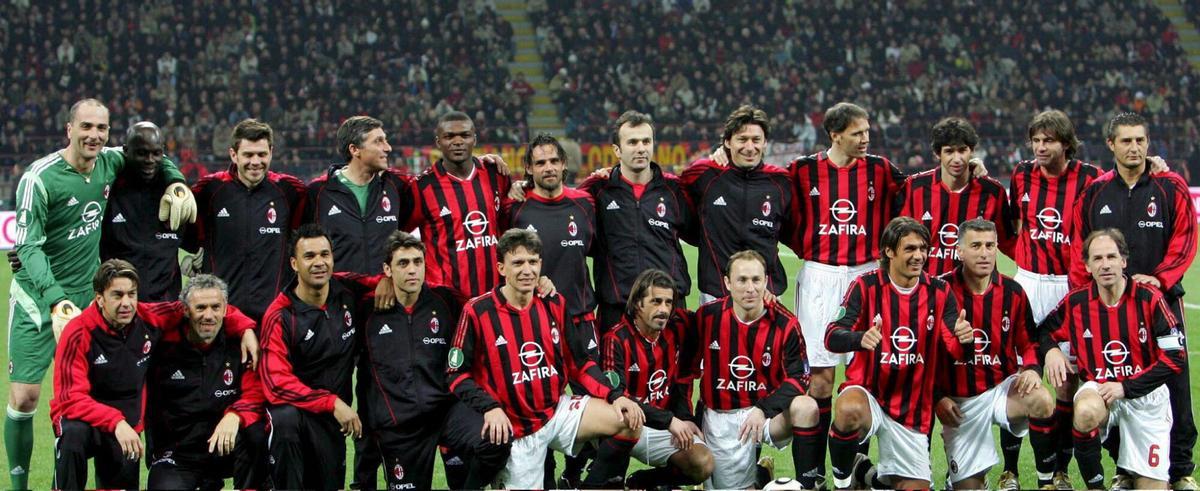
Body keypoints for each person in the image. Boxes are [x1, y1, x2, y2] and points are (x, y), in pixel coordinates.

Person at [6, 98, 194, 491]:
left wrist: (177, 182)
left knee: (87, 397)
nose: (94, 135)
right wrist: (54, 298)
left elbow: (155, 154)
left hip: (90, 303)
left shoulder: (110, 161)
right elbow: (27, 246)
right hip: (39, 300)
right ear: (69, 129)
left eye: (101, 128)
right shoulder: (39, 178)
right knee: (24, 398)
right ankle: (18, 485)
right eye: (86, 127)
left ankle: (77, 477)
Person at [446, 228, 645, 489]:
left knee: (628, 420)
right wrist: (489, 407)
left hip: (556, 412)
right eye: (518, 263)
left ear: (540, 264)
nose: (527, 270)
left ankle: (588, 487)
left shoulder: (554, 303)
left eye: (533, 262)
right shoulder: (477, 311)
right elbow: (456, 374)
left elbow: (580, 364)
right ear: (501, 268)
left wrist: (615, 395)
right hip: (515, 428)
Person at [1067, 112, 1197, 490]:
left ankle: (1180, 470)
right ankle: (1124, 466)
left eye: (1140, 140)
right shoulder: (1095, 193)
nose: (1135, 148)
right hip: (1109, 307)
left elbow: (1185, 238)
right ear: (1111, 145)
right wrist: (1086, 298)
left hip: (1161, 302)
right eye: (1126, 141)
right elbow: (1079, 249)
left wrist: (1160, 278)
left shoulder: (1170, 186)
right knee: (1113, 383)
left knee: (1175, 383)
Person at [50, 260, 255, 490]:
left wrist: (245, 328)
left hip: (127, 428)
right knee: (73, 435)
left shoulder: (149, 318)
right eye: (117, 295)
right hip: (89, 421)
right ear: (99, 298)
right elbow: (69, 398)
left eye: (132, 294)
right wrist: (115, 421)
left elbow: (203, 306)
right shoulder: (77, 332)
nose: (126, 303)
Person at [784, 102, 907, 485]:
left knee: (864, 377)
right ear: (835, 135)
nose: (866, 138)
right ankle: (812, 474)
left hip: (867, 276)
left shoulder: (880, 169)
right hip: (820, 276)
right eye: (857, 133)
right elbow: (777, 202)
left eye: (867, 131)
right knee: (820, 378)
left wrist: (974, 168)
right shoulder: (802, 170)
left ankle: (854, 469)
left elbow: (917, 188)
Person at [825, 216, 973, 490]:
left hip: (911, 410)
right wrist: (860, 338)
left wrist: (965, 340)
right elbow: (832, 336)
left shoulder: (939, 292)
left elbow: (956, 350)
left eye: (923, 249)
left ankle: (866, 473)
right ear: (889, 251)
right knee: (848, 409)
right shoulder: (866, 286)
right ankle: (843, 484)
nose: (919, 256)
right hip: (869, 393)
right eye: (910, 249)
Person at [357, 231, 510, 490]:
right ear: (387, 269)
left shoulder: (447, 301)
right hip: (400, 428)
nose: (412, 270)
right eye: (403, 263)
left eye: (418, 262)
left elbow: (492, 305)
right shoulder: (367, 310)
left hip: (446, 413)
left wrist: (540, 283)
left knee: (497, 438)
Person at [1039, 229, 1186, 489]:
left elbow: (1176, 358)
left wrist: (1126, 387)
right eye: (1097, 258)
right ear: (1087, 266)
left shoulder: (1150, 298)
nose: (1105, 265)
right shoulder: (1077, 302)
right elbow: (1042, 332)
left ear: (1123, 261)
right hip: (1101, 390)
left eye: (1111, 257)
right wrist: (1052, 350)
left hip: (1146, 399)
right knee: (1085, 410)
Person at [1007, 109, 1102, 488]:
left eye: (1048, 140)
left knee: (1066, 382)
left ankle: (1060, 470)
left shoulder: (1091, 178)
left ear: (1066, 143)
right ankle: (1011, 471)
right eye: (1036, 140)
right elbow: (1013, 224)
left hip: (1069, 286)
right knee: (1019, 378)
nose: (1040, 147)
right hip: (1029, 283)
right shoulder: (1021, 174)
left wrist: (1155, 166)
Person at [505, 133, 600, 488]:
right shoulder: (514, 209)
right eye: (540, 162)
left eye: (553, 161)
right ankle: (543, 477)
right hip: (534, 326)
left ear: (564, 164)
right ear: (529, 169)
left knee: (594, 401)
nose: (548, 167)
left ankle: (573, 473)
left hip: (581, 320)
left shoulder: (585, 204)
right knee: (538, 405)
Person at [935, 219, 1057, 489]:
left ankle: (1046, 481)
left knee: (1041, 399)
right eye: (976, 246)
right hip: (959, 401)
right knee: (969, 487)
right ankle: (965, 476)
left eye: (990, 246)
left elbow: (1029, 342)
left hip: (1002, 389)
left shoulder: (1013, 292)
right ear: (959, 251)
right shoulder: (940, 291)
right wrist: (937, 397)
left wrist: (1032, 369)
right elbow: (924, 354)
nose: (984, 253)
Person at [692, 250, 820, 489]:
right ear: (728, 283)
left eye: (756, 280)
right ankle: (761, 475)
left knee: (806, 407)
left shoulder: (785, 323)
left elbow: (801, 377)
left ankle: (807, 485)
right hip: (721, 415)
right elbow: (685, 370)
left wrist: (763, 409)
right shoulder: (707, 317)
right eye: (742, 280)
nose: (750, 288)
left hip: (767, 414)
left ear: (765, 281)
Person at [257, 224, 367, 488]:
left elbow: (392, 281)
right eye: (309, 256)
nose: (319, 262)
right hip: (295, 417)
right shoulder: (280, 315)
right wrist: (331, 402)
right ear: (294, 264)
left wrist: (387, 284)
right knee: (284, 421)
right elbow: (276, 384)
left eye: (324, 254)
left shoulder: (348, 290)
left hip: (331, 421)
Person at [582, 269, 713, 488]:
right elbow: (618, 399)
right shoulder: (616, 339)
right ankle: (594, 482)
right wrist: (670, 420)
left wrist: (684, 418)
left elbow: (682, 379)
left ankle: (643, 482)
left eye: (668, 302)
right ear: (637, 304)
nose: (663, 309)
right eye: (656, 301)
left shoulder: (677, 328)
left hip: (663, 424)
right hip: (624, 426)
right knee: (612, 475)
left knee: (703, 463)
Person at [145, 274, 269, 490]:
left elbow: (255, 393)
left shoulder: (240, 346)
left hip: (225, 447)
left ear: (226, 309)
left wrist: (235, 415)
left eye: (215, 307)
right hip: (178, 455)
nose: (209, 315)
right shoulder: (161, 344)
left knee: (257, 434)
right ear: (185, 310)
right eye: (200, 308)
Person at [579, 110, 697, 332]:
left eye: (646, 141)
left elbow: (700, 234)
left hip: (668, 306)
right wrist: (521, 186)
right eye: (632, 142)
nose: (641, 148)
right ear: (617, 150)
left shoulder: (673, 189)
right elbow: (564, 208)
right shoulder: (598, 190)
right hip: (617, 307)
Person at [189, 118, 308, 321]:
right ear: (233, 155)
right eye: (248, 155)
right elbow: (188, 235)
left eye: (262, 154)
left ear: (271, 152)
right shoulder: (209, 190)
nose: (255, 162)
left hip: (273, 317)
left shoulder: (290, 191)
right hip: (222, 316)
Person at [681, 105, 793, 303]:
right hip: (716, 292)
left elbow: (793, 228)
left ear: (765, 143)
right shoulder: (704, 174)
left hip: (766, 294)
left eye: (756, 140)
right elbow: (675, 204)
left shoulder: (781, 182)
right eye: (742, 139)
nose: (749, 147)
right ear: (727, 142)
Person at [404, 111, 513, 299]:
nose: (457, 141)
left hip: (494, 296)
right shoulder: (421, 187)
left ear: (474, 139)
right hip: (445, 300)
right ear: (438, 142)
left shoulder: (496, 175)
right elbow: (398, 233)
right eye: (449, 136)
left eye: (464, 135)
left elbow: (508, 222)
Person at [897, 117, 1016, 275]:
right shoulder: (915, 188)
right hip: (928, 286)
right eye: (949, 151)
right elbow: (899, 240)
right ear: (937, 153)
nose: (957, 159)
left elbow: (1009, 243)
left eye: (962, 150)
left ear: (971, 150)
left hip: (976, 287)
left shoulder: (993, 192)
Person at [307, 115, 414, 275]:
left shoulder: (397, 185)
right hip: (339, 289)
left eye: (385, 140)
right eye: (378, 141)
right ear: (354, 149)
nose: (388, 148)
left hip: (385, 289)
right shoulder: (318, 192)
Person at [99, 122, 186, 302]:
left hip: (166, 307)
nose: (149, 160)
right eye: (141, 153)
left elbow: (193, 239)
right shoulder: (108, 192)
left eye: (156, 153)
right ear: (126, 151)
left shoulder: (175, 195)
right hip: (121, 305)